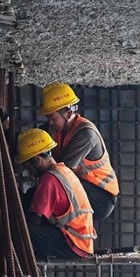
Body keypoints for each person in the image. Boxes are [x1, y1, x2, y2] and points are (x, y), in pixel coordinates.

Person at [38, 83, 119, 220]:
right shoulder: (55, 127)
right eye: (48, 118)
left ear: (68, 113)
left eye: (52, 117)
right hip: (82, 185)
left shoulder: (86, 134)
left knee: (53, 182)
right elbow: (34, 142)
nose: (50, 122)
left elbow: (62, 171)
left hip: (100, 197)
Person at [16, 128, 97, 259]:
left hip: (73, 242)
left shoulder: (49, 179)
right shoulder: (63, 170)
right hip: (81, 240)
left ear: (37, 160)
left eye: (27, 166)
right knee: (32, 194)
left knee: (19, 232)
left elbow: (35, 218)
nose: (29, 171)